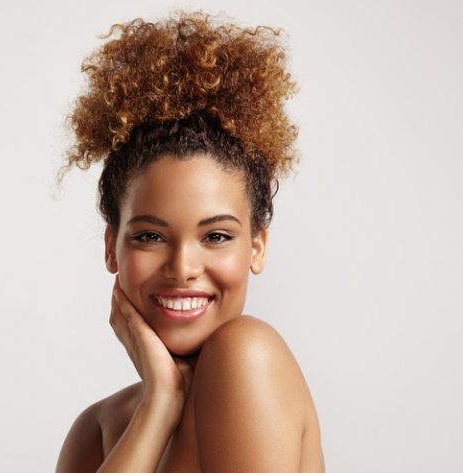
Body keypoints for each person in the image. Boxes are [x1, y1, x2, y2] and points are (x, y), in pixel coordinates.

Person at [56, 11, 325, 472]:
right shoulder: (97, 430)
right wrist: (158, 405)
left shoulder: (246, 356)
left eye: (216, 235)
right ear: (110, 247)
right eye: (150, 236)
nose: (183, 267)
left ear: (257, 246)